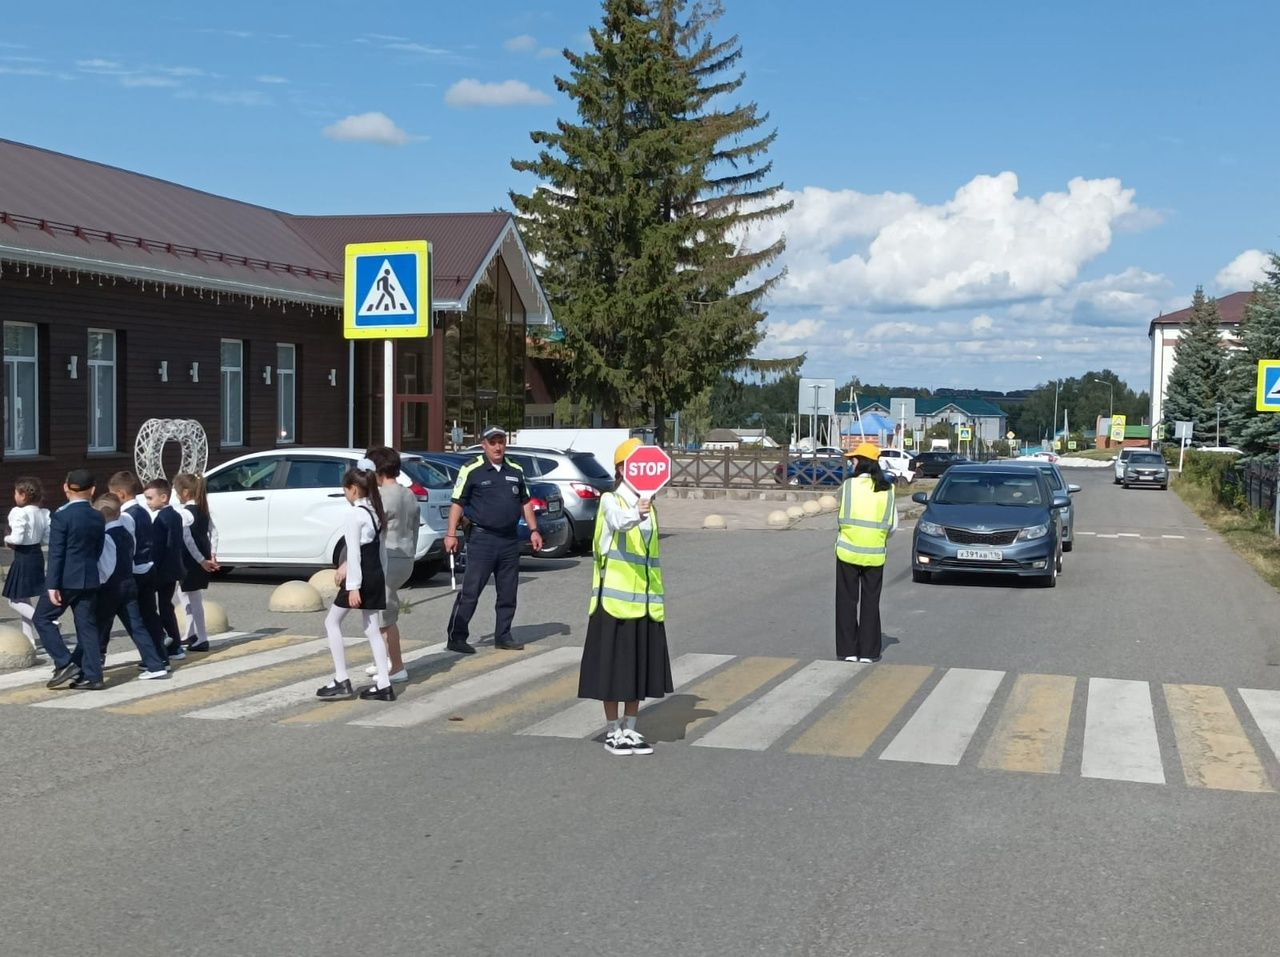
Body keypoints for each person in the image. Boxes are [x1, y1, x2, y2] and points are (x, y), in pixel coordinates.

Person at [577, 438, 673, 756]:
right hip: (614, 604)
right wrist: (639, 511)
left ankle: (630, 729)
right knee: (613, 671)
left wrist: (646, 508)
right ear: (621, 468)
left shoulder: (651, 507)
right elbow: (619, 523)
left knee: (637, 669)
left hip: (644, 603)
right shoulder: (611, 501)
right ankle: (612, 731)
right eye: (634, 462)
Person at [443, 426, 541, 654]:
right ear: (484, 445)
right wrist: (450, 535)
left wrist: (534, 530)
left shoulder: (515, 469)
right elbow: (457, 502)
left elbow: (525, 502)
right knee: (471, 591)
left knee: (508, 592)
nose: (498, 446)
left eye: (501, 441)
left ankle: (503, 635)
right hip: (481, 539)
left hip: (508, 540)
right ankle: (456, 637)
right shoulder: (472, 469)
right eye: (492, 442)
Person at [316, 460, 395, 702]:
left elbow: (354, 553)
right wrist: (379, 576)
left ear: (352, 488)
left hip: (360, 578)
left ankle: (341, 679)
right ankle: (384, 682)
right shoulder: (375, 512)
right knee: (371, 628)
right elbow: (378, 552)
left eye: (344, 490)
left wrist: (353, 586)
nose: (344, 494)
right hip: (375, 575)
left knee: (332, 622)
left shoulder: (355, 515)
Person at [33, 469, 106, 690]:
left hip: (65, 579)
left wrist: (52, 584)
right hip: (90, 576)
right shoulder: (97, 515)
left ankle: (65, 662)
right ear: (93, 490)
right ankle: (94, 676)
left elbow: (56, 553)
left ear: (66, 488)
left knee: (42, 618)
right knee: (87, 626)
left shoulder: (62, 515)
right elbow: (98, 548)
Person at [357, 446, 419, 684]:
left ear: (376, 470)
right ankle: (382, 661)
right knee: (380, 612)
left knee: (384, 616)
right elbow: (414, 526)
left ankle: (397, 667)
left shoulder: (381, 497)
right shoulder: (408, 493)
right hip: (406, 556)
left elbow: (371, 530)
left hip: (387, 557)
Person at [91, 495, 169, 680]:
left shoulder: (106, 537)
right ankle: (155, 664)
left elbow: (106, 566)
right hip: (129, 584)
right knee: (137, 626)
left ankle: (88, 664)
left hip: (111, 588)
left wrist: (99, 583)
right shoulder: (126, 533)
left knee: (96, 627)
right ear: (119, 512)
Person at [834, 442, 897, 664]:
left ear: (862, 462)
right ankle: (869, 652)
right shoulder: (887, 490)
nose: (852, 462)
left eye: (854, 458)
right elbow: (892, 525)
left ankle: (848, 650)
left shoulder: (848, 486)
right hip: (875, 553)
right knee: (871, 602)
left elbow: (839, 515)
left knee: (846, 601)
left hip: (847, 552)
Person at [108, 470, 168, 669]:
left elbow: (128, 545)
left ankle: (155, 659)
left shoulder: (126, 515)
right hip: (148, 566)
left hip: (135, 571)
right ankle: (161, 656)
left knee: (140, 618)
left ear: (121, 495)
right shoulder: (143, 510)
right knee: (150, 614)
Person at [172, 473, 219, 653]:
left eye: (177, 491)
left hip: (192, 560)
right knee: (186, 593)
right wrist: (212, 554)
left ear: (184, 492)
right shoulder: (203, 510)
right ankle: (191, 632)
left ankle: (201, 637)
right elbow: (214, 532)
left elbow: (188, 539)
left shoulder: (184, 513)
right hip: (201, 557)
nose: (176, 495)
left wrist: (200, 560)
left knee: (193, 596)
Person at [4, 476, 51, 648]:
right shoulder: (43, 513)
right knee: (24, 598)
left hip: (23, 556)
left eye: (16, 492)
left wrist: (6, 538)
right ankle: (29, 639)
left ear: (23, 495)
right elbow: (47, 539)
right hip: (36, 555)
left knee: (14, 600)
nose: (14, 495)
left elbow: (16, 538)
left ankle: (44, 619)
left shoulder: (19, 512)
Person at [144, 478, 188, 662]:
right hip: (172, 570)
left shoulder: (162, 519)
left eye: (150, 498)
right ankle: (175, 645)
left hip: (161, 570)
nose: (147, 502)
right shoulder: (176, 516)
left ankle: (166, 642)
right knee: (166, 607)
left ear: (163, 497)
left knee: (150, 606)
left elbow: (158, 548)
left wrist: (151, 566)